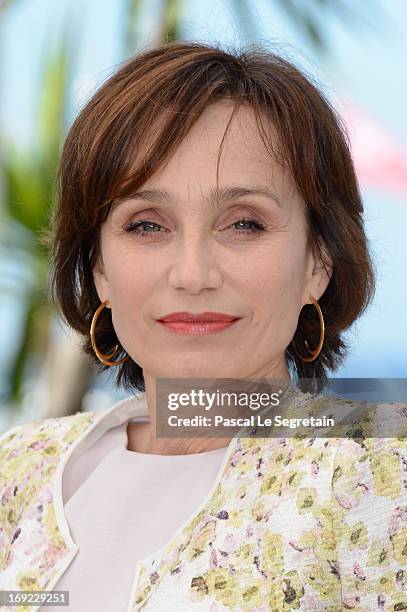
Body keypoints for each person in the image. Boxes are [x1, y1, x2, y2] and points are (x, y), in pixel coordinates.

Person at [0, 40, 406, 612]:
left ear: (319, 262)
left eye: (243, 223)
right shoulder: (19, 469)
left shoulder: (383, 479)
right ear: (99, 271)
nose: (193, 274)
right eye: (145, 225)